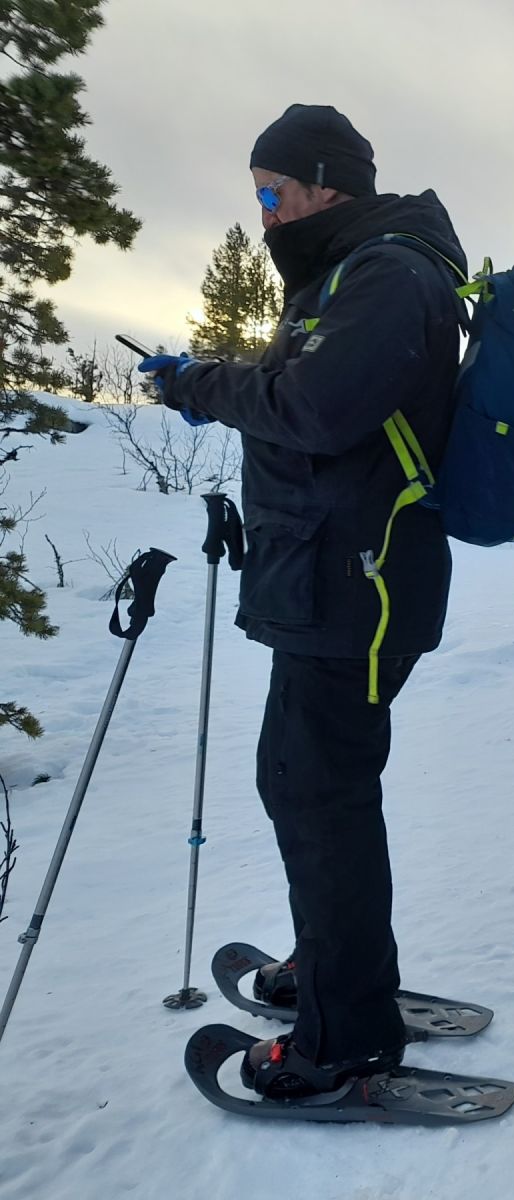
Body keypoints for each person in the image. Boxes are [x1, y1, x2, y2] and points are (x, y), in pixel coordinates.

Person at [140, 104, 468, 1099]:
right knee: (308, 786)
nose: (266, 214)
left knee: (318, 794)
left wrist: (204, 387)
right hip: (333, 577)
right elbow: (305, 387)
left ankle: (346, 1037)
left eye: (273, 192)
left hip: (358, 583)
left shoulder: (388, 273)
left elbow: (317, 410)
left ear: (326, 181)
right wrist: (207, 381)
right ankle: (338, 967)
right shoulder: (352, 272)